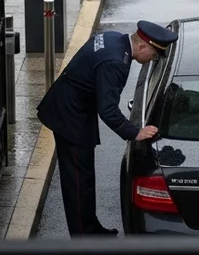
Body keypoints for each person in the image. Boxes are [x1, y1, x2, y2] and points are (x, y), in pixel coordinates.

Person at [37, 20, 178, 237]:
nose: (153, 59)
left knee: (84, 178)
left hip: (72, 107)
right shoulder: (116, 62)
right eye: (155, 54)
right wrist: (135, 133)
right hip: (70, 117)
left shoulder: (115, 39)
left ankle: (91, 228)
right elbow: (108, 110)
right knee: (77, 182)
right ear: (142, 46)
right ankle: (84, 237)